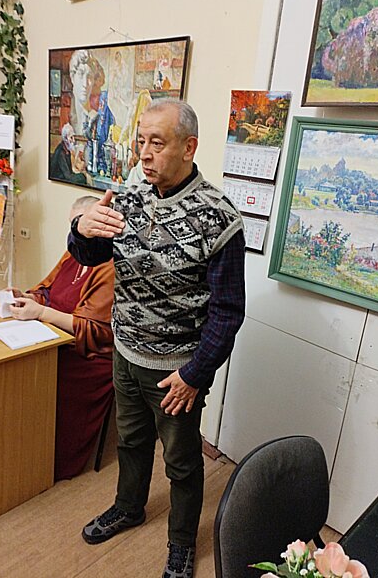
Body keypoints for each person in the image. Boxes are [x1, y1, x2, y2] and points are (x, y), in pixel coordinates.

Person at [67, 99, 245, 578]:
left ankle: (182, 542)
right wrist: (80, 228)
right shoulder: (128, 197)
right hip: (125, 353)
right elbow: (88, 254)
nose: (144, 154)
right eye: (140, 141)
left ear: (189, 147)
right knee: (130, 441)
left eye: (157, 143)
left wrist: (195, 375)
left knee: (182, 463)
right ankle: (129, 507)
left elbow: (228, 311)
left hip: (176, 372)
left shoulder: (219, 217)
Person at [9, 196, 115, 481]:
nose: (76, 233)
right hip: (52, 335)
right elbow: (48, 289)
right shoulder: (75, 251)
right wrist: (29, 297)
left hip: (89, 354)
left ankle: (46, 461)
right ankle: (14, 446)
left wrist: (41, 312)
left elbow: (96, 330)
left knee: (42, 379)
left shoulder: (110, 264)